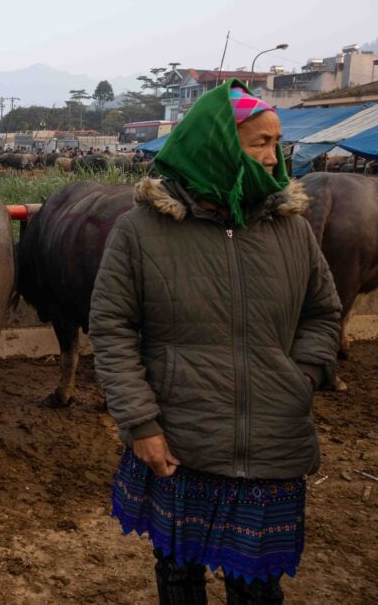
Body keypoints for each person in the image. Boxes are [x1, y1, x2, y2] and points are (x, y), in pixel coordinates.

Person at [90, 80, 341, 604]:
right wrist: (141, 424)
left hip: (273, 443)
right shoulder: (141, 232)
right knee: (180, 578)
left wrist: (303, 377)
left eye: (277, 144)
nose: (275, 159)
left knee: (257, 585)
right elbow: (112, 330)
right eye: (260, 144)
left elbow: (323, 312)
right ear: (218, 146)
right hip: (181, 442)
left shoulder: (291, 228)